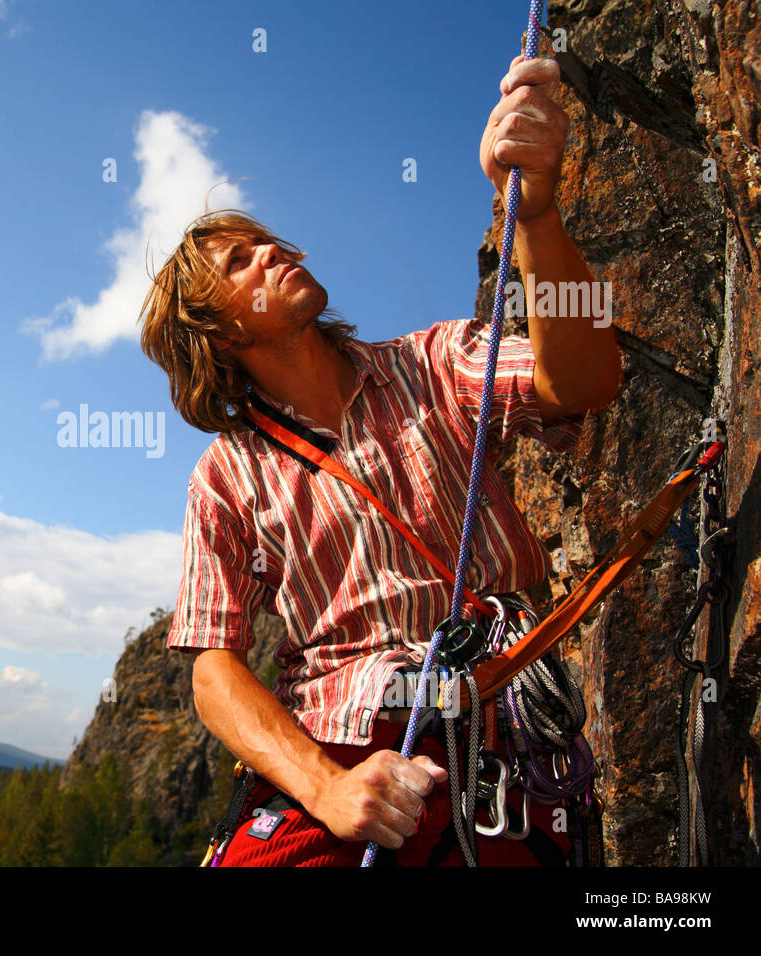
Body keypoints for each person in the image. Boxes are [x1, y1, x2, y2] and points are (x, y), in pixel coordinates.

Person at [137, 54, 622, 866]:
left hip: (495, 739)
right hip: (340, 751)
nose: (272, 254)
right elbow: (213, 671)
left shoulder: (434, 364)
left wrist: (535, 216)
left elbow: (581, 380)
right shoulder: (227, 477)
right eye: (240, 262)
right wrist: (326, 789)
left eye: (266, 243)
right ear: (219, 333)